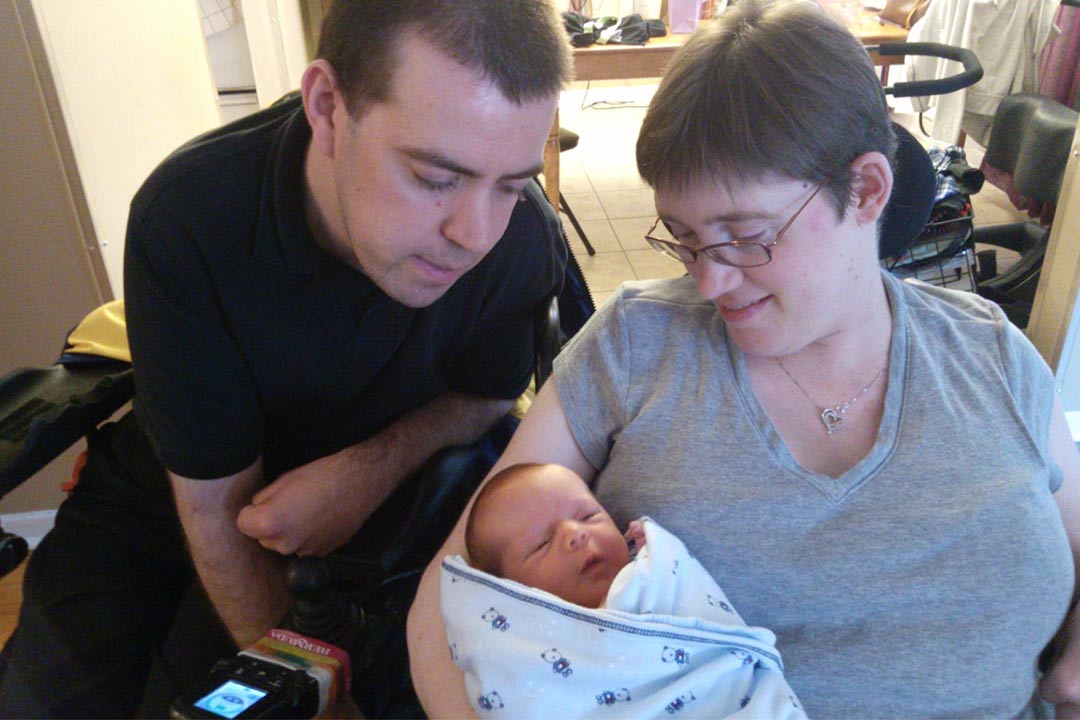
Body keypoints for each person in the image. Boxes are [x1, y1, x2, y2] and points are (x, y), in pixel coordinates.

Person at [408, 0, 1080, 717]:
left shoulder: (990, 356)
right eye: (686, 237)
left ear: (867, 189)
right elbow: (449, 605)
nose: (709, 279)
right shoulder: (639, 346)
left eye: (745, 235)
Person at [0, 0, 572, 716]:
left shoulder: (518, 238)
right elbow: (213, 511)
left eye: (513, 184)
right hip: (183, 482)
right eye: (434, 179)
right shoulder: (192, 218)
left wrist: (369, 470)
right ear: (328, 106)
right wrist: (309, 689)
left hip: (390, 496)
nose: (475, 234)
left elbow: (490, 393)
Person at [447, 462, 806, 719]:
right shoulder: (520, 655)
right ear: (510, 593)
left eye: (588, 516)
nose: (576, 533)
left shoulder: (656, 573)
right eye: (542, 543)